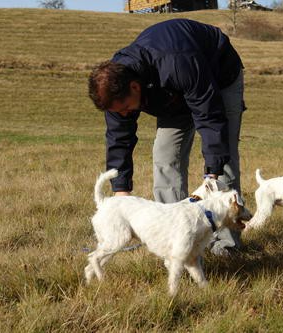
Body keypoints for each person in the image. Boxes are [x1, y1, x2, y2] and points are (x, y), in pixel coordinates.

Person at [88, 18, 245, 255]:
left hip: (219, 78)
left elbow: (209, 114)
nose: (124, 114)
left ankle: (227, 245)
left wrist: (212, 171)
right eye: (118, 112)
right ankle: (174, 239)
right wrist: (121, 193)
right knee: (164, 157)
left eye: (125, 108)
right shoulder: (115, 91)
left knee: (224, 164)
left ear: (135, 87)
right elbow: (119, 139)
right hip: (170, 97)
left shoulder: (176, 61)